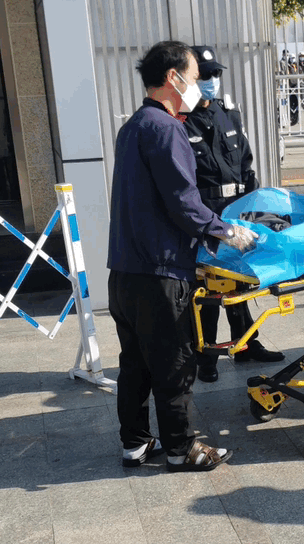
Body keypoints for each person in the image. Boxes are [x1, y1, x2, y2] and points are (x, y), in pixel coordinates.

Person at [108, 41, 258, 472]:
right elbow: (184, 202)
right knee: (174, 363)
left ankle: (135, 442)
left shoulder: (133, 126)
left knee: (135, 364)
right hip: (160, 272)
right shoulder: (167, 128)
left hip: (125, 272)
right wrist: (226, 231)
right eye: (194, 78)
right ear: (173, 78)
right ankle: (181, 448)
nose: (198, 85)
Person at [185, 45, 285, 383]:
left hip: (236, 209)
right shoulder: (180, 121)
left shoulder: (228, 114)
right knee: (209, 288)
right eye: (205, 75)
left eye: (216, 74)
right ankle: (206, 356)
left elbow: (246, 164)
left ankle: (246, 345)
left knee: (240, 281)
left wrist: (252, 206)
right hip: (205, 213)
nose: (212, 80)